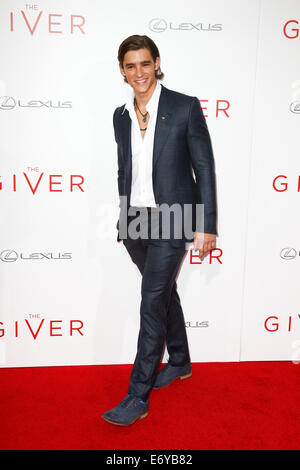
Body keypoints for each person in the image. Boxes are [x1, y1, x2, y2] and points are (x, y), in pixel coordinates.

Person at [102, 35, 218, 426]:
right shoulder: (120, 115)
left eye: (145, 64)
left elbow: (205, 168)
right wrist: (123, 217)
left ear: (156, 64)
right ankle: (181, 361)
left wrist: (207, 225)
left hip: (172, 217)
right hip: (136, 220)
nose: (139, 72)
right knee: (164, 292)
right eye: (131, 65)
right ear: (122, 70)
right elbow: (124, 169)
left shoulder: (184, 107)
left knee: (151, 302)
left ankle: (138, 395)